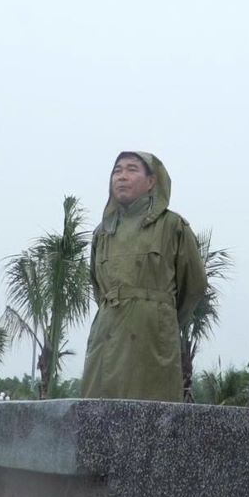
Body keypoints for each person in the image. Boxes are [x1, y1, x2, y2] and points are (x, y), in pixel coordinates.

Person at [80, 151, 207, 402]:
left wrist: (161, 316)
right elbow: (98, 286)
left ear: (151, 182)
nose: (122, 177)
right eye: (117, 171)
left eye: (131, 169)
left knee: (153, 413)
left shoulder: (172, 226)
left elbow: (194, 284)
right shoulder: (103, 233)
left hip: (153, 337)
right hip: (107, 335)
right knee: (97, 414)